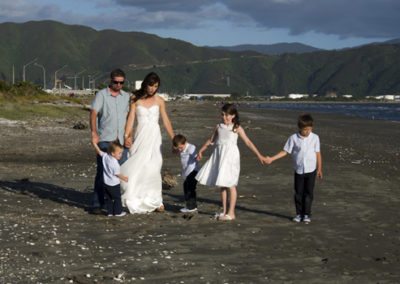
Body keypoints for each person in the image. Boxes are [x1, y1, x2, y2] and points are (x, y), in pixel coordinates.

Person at [195, 103, 265, 221]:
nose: (225, 117)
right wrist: (201, 150)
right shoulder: (219, 126)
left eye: (227, 115)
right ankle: (224, 211)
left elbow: (248, 142)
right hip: (220, 156)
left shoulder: (236, 127)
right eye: (223, 115)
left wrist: (259, 155)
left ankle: (231, 213)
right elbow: (211, 140)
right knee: (222, 184)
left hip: (231, 157)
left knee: (231, 184)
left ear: (233, 115)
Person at [120, 72, 174, 214]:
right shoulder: (135, 99)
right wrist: (127, 136)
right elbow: (130, 119)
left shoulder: (160, 101)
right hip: (140, 137)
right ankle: (137, 197)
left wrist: (173, 137)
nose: (152, 89)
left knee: (154, 167)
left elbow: (166, 120)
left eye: (155, 86)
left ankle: (156, 200)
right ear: (145, 84)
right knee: (139, 167)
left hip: (155, 138)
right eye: (150, 85)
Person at [264, 113, 323, 224]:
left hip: (311, 170)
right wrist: (272, 158)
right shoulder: (293, 138)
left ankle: (307, 214)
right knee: (298, 193)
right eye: (305, 129)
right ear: (300, 128)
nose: (307, 132)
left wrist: (319, 168)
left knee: (309, 193)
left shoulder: (315, 138)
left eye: (309, 129)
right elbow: (285, 151)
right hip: (299, 170)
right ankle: (299, 214)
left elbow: (318, 153)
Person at [89, 69, 131, 213]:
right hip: (105, 139)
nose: (118, 85)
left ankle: (115, 203)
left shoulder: (126, 97)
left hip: (121, 141)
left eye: (121, 82)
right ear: (110, 80)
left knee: (120, 172)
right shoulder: (102, 95)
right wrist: (94, 132)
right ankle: (97, 204)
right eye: (116, 82)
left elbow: (130, 117)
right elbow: (93, 113)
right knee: (102, 172)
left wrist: (129, 136)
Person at [92, 140, 128, 217]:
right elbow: (117, 174)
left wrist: (94, 144)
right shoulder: (115, 163)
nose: (121, 155)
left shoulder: (105, 156)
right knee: (117, 198)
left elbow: (99, 151)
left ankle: (110, 212)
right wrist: (124, 178)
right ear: (113, 153)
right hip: (114, 184)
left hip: (106, 183)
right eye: (119, 153)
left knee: (109, 198)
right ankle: (118, 212)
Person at [173, 134, 200, 213]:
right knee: (186, 186)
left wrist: (197, 156)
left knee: (190, 189)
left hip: (193, 171)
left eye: (181, 148)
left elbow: (195, 155)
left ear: (185, 143)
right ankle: (191, 205)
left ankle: (191, 207)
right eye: (178, 148)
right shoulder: (182, 148)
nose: (180, 150)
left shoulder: (191, 147)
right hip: (187, 172)